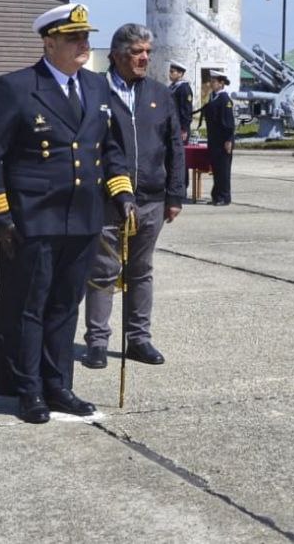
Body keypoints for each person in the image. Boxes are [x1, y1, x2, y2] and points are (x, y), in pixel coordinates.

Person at [0, 2, 136, 424]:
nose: (84, 44)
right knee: (31, 305)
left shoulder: (97, 87)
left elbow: (110, 147)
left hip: (83, 216)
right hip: (33, 216)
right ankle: (28, 390)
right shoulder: (17, 86)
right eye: (73, 38)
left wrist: (122, 194)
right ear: (49, 43)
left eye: (86, 37)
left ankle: (58, 384)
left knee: (66, 304)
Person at [82, 24, 186, 370]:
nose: (144, 58)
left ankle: (138, 339)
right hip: (107, 199)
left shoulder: (159, 93)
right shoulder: (94, 90)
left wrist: (175, 194)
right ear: (116, 55)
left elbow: (174, 145)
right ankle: (97, 342)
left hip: (152, 199)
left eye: (147, 52)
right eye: (137, 52)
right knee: (104, 270)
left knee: (141, 270)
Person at [200, 72, 235, 205]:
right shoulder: (213, 97)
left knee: (223, 170)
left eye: (214, 81)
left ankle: (224, 197)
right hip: (214, 139)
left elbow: (228, 122)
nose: (211, 83)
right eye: (211, 81)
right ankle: (216, 195)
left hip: (223, 140)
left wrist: (228, 140)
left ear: (221, 83)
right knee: (216, 169)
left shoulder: (224, 99)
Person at [168, 62, 194, 144]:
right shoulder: (172, 87)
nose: (170, 74)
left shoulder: (184, 88)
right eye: (170, 71)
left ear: (180, 73)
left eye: (172, 72)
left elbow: (187, 110)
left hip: (180, 128)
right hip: (171, 125)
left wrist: (184, 128)